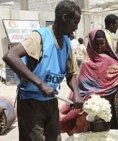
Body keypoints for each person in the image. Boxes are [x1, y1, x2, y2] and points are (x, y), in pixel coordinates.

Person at [2, 0, 82, 141]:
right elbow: (10, 56)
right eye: (75, 22)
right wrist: (41, 84)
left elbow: (71, 73)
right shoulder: (39, 37)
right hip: (31, 101)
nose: (76, 27)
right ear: (64, 18)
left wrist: (76, 93)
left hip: (51, 102)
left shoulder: (67, 43)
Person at [60, 29, 118, 135]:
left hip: (104, 107)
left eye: (102, 43)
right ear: (91, 43)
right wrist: (89, 96)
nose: (100, 47)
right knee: (84, 134)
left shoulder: (110, 60)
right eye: (97, 44)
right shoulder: (86, 63)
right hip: (87, 106)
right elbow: (80, 85)